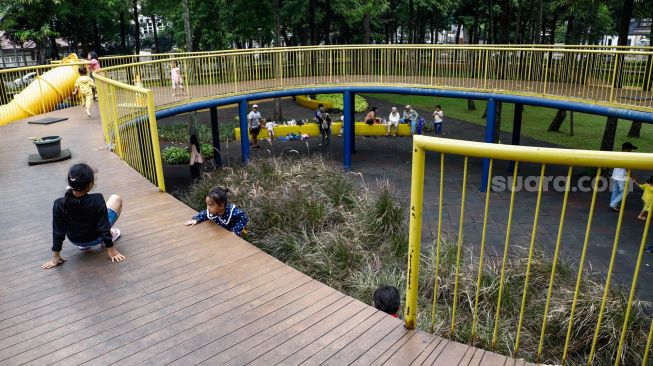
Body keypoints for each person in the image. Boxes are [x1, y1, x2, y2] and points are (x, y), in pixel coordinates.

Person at [42, 164, 125, 269]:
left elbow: (58, 231)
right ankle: (108, 237)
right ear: (90, 185)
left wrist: (55, 257)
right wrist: (111, 250)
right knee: (116, 198)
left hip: (76, 240)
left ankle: (84, 245)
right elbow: (103, 225)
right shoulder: (97, 199)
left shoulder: (59, 203)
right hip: (97, 238)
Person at [184, 186, 249, 237]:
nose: (208, 208)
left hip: (238, 231)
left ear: (221, 206)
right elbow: (204, 213)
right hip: (224, 232)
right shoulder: (213, 211)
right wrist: (196, 220)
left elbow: (244, 218)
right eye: (207, 204)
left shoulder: (233, 212)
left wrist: (236, 231)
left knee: (240, 236)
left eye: (210, 205)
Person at [610, 142, 637, 212]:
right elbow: (628, 167)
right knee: (625, 191)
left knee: (615, 191)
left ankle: (613, 203)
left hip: (615, 175)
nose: (631, 151)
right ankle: (613, 204)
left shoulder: (618, 154)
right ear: (627, 149)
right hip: (622, 177)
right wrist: (632, 177)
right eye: (630, 149)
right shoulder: (626, 156)